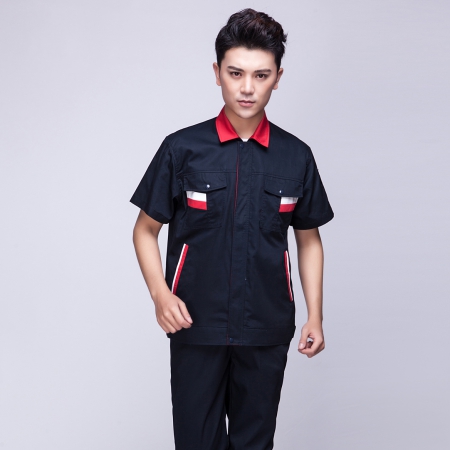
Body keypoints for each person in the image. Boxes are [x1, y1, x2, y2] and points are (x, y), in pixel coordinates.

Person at [130, 8, 334, 450]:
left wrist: (315, 314)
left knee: (254, 445)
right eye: (235, 73)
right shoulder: (182, 149)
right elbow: (145, 230)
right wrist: (160, 295)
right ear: (217, 72)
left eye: (261, 75)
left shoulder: (296, 156)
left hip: (266, 326)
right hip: (195, 323)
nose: (247, 88)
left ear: (278, 78)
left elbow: (309, 239)